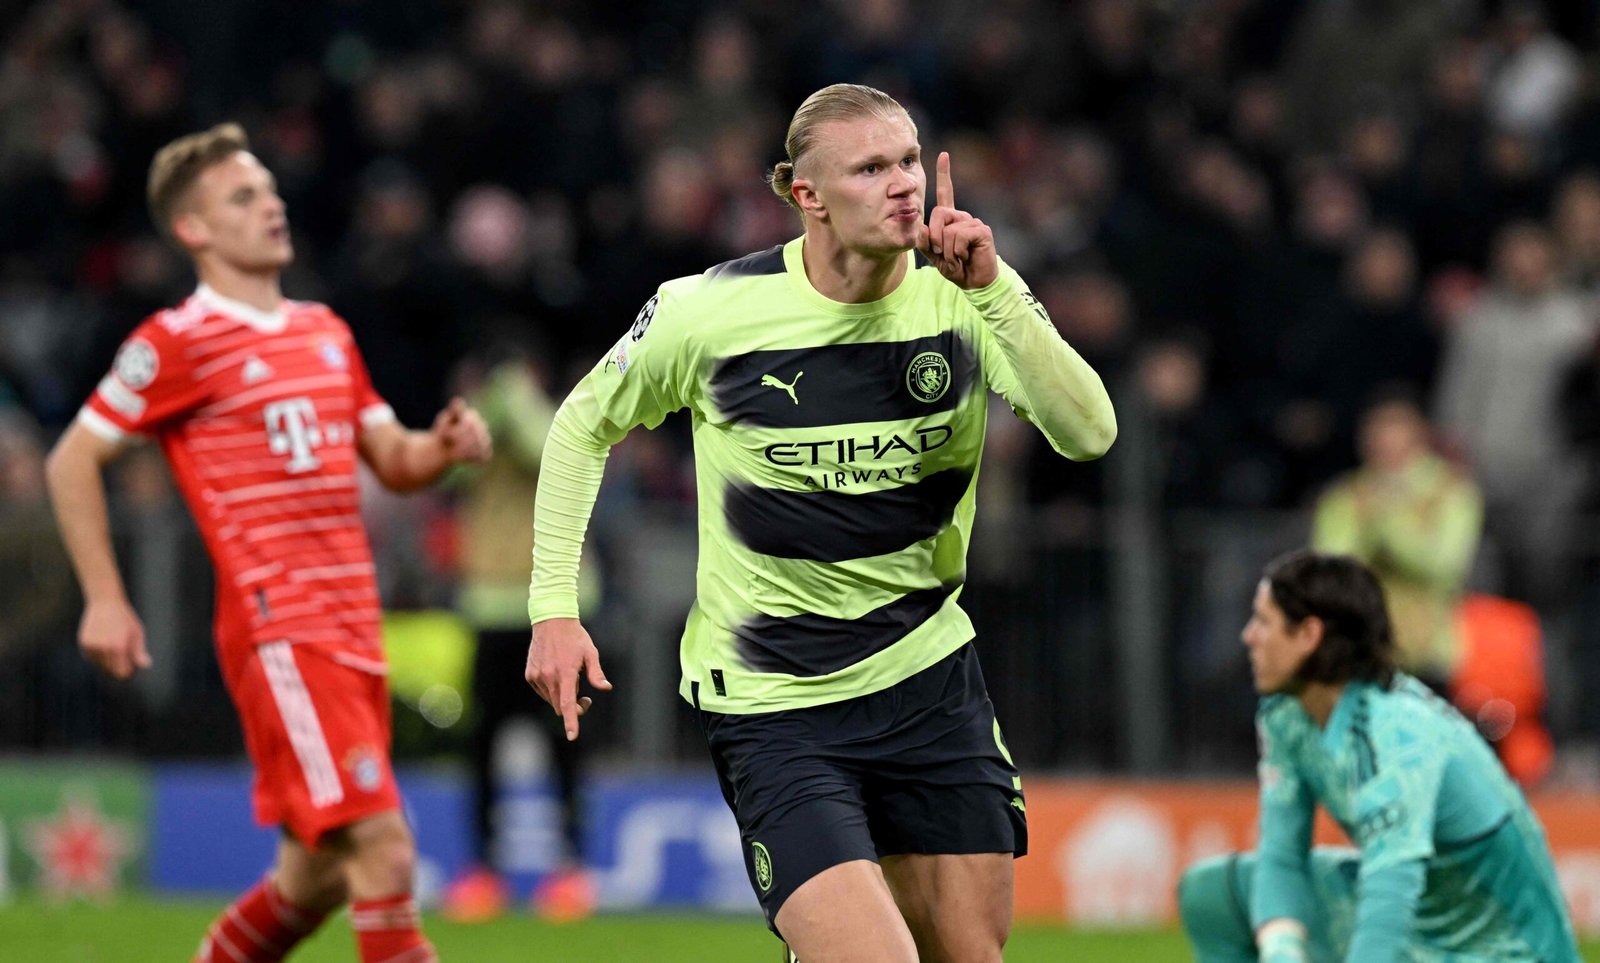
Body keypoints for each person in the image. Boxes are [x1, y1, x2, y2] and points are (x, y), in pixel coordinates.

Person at [524, 83, 1116, 962]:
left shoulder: (963, 295)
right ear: (809, 196)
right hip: (776, 703)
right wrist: (554, 608)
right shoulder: (708, 311)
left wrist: (995, 289)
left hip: (928, 681)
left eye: (909, 160)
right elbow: (581, 425)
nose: (903, 183)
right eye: (871, 168)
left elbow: (1089, 432)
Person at [44, 123, 491, 963]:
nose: (271, 206)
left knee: (312, 876)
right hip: (282, 625)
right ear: (194, 229)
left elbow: (392, 457)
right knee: (384, 847)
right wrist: (104, 597)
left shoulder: (325, 329)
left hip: (353, 623)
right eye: (243, 197)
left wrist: (441, 447)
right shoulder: (176, 340)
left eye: (270, 191)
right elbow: (72, 457)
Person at [1178, 550, 1579, 963]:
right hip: (1421, 924)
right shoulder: (1286, 715)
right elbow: (1282, 856)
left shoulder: (1397, 733)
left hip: (1502, 952)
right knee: (1213, 894)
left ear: (1308, 635)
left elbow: (1390, 897)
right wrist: (1282, 951)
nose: (1249, 636)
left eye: (1264, 622)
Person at [442, 344, 596, 922]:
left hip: (559, 611)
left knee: (566, 743)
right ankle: (483, 870)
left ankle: (572, 870)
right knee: (482, 747)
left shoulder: (555, 419)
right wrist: (490, 405)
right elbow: (449, 470)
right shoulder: (480, 430)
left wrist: (516, 396)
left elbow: (552, 450)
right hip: (489, 607)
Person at [1311, 391, 1482, 684]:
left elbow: (1445, 565)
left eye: (1395, 428)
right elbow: (1331, 573)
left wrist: (1386, 525)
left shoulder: (1450, 491)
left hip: (1427, 654)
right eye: (1376, 429)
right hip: (1361, 652)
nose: (1384, 440)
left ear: (1420, 433)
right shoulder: (1344, 496)